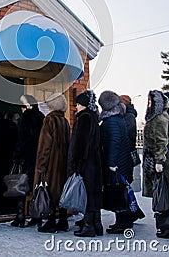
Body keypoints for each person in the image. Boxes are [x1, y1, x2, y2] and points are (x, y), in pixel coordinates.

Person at [143, 90, 169, 239]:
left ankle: (168, 227)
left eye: (150, 101)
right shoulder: (157, 117)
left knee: (164, 194)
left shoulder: (159, 118)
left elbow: (161, 142)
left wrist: (159, 161)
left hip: (162, 163)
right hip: (158, 161)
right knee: (162, 194)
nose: (148, 103)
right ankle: (165, 226)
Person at [99, 90, 134, 234]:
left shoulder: (112, 120)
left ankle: (123, 223)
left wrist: (112, 163)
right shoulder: (117, 117)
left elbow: (114, 141)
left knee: (119, 191)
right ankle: (122, 221)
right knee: (120, 191)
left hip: (118, 163)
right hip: (122, 161)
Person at [68, 90, 103, 237]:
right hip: (95, 161)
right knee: (94, 193)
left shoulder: (84, 118)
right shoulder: (93, 117)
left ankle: (89, 226)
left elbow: (81, 143)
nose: (76, 107)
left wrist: (77, 162)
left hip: (86, 162)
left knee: (88, 193)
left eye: (78, 104)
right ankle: (96, 224)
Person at [34, 93, 70, 233]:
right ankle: (63, 219)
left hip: (51, 163)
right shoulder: (64, 121)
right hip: (62, 162)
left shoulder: (49, 120)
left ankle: (50, 222)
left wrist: (41, 165)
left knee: (50, 191)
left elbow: (45, 145)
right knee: (60, 190)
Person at [11, 94, 44, 228]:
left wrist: (17, 156)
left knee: (21, 186)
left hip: (26, 157)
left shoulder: (26, 118)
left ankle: (20, 216)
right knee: (36, 186)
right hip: (39, 157)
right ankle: (36, 215)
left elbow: (22, 139)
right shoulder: (41, 116)